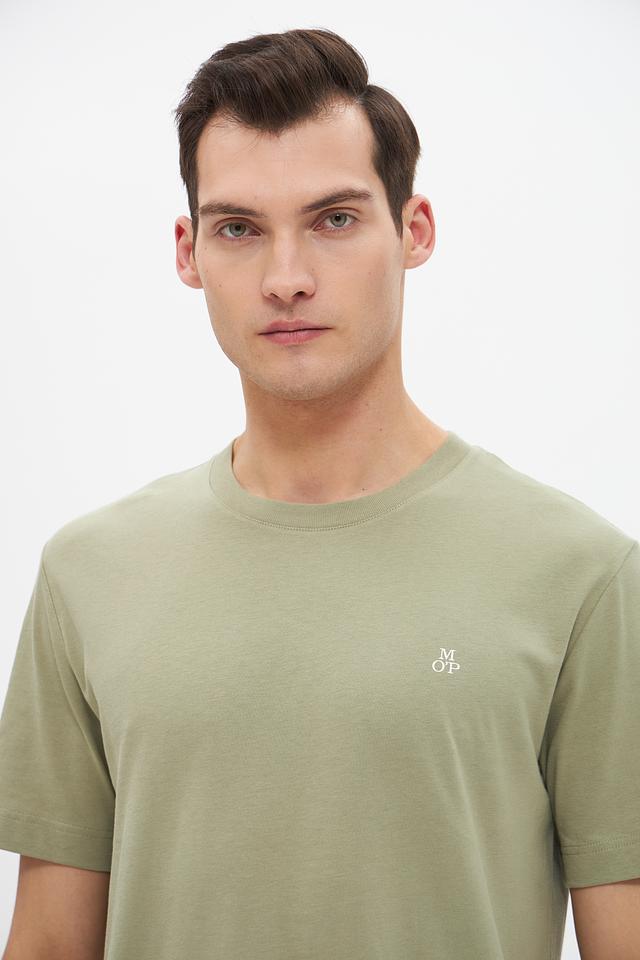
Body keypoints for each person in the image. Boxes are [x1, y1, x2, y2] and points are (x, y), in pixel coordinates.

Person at [0, 26, 638, 960]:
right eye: (239, 229)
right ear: (188, 251)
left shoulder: (580, 574)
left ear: (413, 231)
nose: (287, 280)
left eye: (334, 220)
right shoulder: (87, 576)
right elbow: (50, 944)